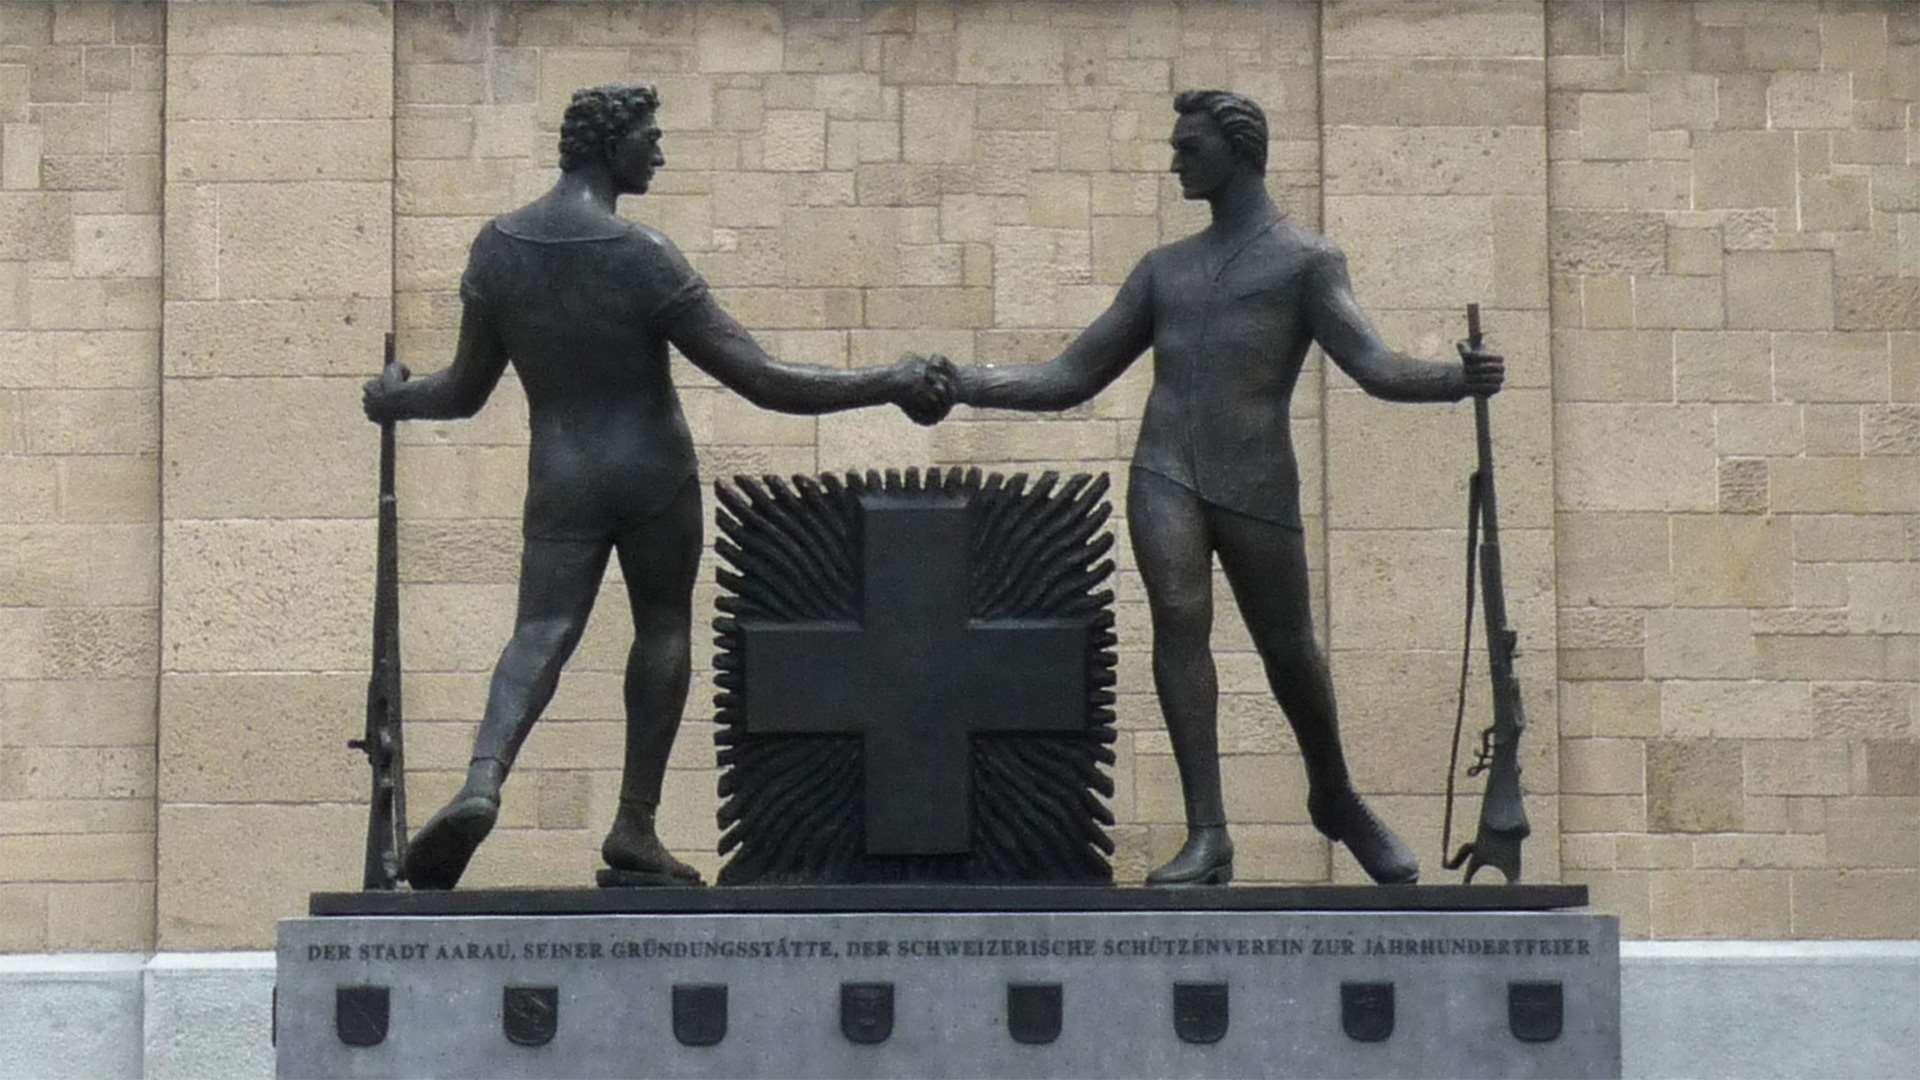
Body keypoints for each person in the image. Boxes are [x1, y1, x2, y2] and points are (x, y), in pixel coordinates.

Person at [363, 83, 954, 890]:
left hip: (562, 476)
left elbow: (463, 391)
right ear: (611, 144)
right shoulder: (644, 256)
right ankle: (634, 823)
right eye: (651, 136)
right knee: (663, 628)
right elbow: (764, 380)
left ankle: (482, 780)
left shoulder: (497, 248)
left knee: (539, 632)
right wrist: (887, 379)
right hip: (652, 475)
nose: (661, 152)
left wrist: (395, 398)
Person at [950, 90, 1504, 885]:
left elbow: (1373, 366)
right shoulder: (1163, 270)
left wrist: (1457, 379)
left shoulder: (1307, 261)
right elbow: (1071, 374)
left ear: (1238, 152)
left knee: (1290, 652)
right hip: (1164, 472)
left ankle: (1335, 794)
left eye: (1189, 146)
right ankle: (1209, 833)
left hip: (1255, 480)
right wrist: (966, 382)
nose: (1175, 158)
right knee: (1179, 621)